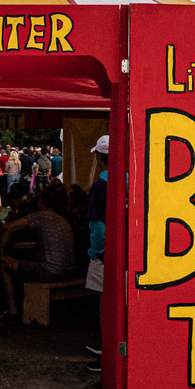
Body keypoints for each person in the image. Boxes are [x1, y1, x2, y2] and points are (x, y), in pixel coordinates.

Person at [0, 186, 77, 317]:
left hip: (52, 272)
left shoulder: (40, 216)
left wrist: (0, 253)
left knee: (3, 264)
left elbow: (8, 228)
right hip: (70, 271)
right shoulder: (63, 219)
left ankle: (12, 309)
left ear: (42, 202)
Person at [84, 134, 109, 367]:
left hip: (103, 254)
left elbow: (96, 225)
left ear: (100, 159)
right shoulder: (132, 182)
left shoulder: (99, 188)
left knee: (104, 302)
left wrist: (100, 251)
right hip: (128, 254)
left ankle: (106, 350)